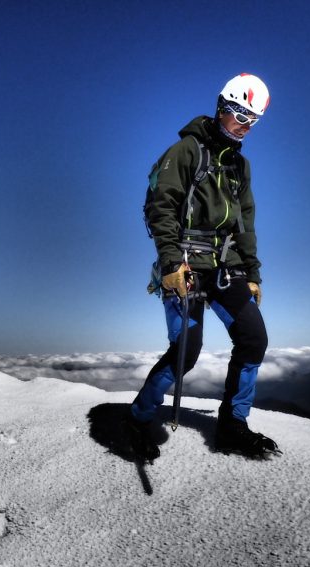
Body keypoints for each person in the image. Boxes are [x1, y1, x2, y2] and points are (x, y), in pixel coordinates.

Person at [126, 73, 277, 460]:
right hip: (186, 264)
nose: (244, 125)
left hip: (225, 266)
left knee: (253, 339)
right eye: (239, 115)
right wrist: (171, 262)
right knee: (186, 351)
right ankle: (139, 418)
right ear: (222, 107)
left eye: (252, 120)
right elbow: (160, 207)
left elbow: (245, 224)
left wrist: (253, 273)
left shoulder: (240, 168)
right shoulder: (187, 151)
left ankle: (233, 425)